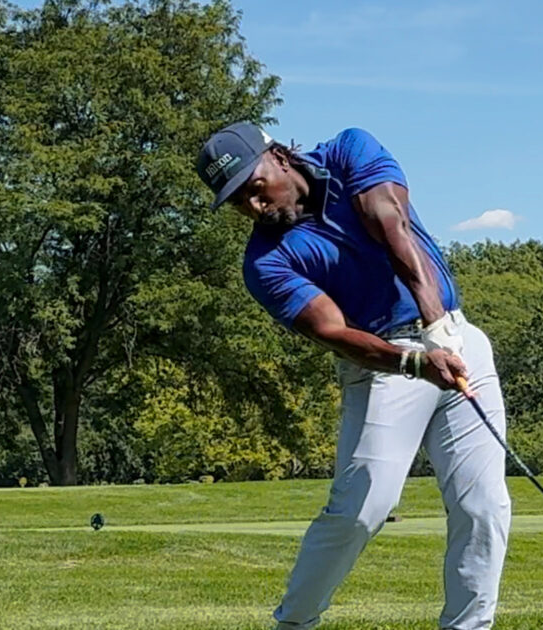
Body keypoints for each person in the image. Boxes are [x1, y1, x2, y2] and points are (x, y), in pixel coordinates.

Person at [195, 122, 511, 630]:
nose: (254, 208)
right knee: (362, 509)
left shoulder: (348, 151)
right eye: (238, 204)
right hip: (385, 365)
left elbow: (390, 222)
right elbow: (334, 332)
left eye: (254, 188)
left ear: (277, 157)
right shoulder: (265, 262)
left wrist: (436, 326)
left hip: (455, 335)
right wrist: (415, 360)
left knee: (484, 504)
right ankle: (295, 623)